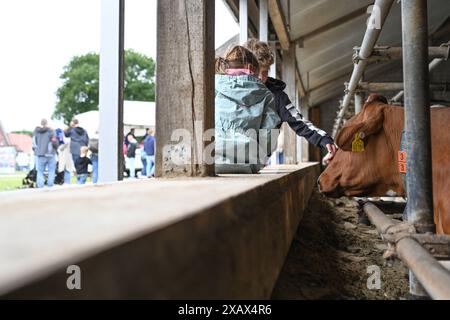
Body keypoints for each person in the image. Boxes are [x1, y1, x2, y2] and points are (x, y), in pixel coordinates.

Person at [243, 39, 337, 165]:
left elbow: (300, 122)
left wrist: (325, 140)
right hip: (224, 155)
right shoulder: (230, 90)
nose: (260, 77)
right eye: (256, 71)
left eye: (265, 72)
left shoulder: (277, 97)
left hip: (257, 161)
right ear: (246, 68)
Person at [215, 45, 281, 174]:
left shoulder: (213, 87)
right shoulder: (266, 95)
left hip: (211, 159)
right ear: (251, 68)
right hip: (247, 163)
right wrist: (258, 162)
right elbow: (269, 135)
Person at [33, 119, 58, 188]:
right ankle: (50, 185)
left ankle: (40, 186)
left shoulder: (36, 131)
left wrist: (36, 150)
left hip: (40, 153)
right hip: (50, 153)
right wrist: (56, 148)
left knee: (40, 171)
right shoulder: (51, 131)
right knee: (51, 170)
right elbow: (54, 141)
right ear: (47, 123)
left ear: (40, 123)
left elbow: (34, 142)